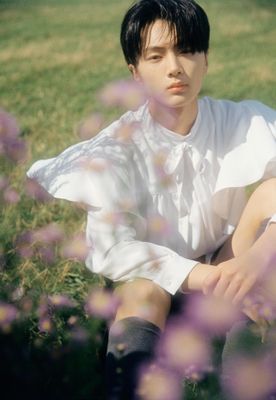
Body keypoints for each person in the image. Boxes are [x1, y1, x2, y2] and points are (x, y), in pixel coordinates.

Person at [27, 0, 276, 398]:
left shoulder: (240, 120)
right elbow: (113, 249)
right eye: (156, 56)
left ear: (206, 60)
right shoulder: (115, 147)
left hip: (224, 261)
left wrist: (257, 255)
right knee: (142, 292)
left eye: (187, 51)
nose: (175, 67)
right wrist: (201, 278)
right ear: (135, 73)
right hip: (155, 278)